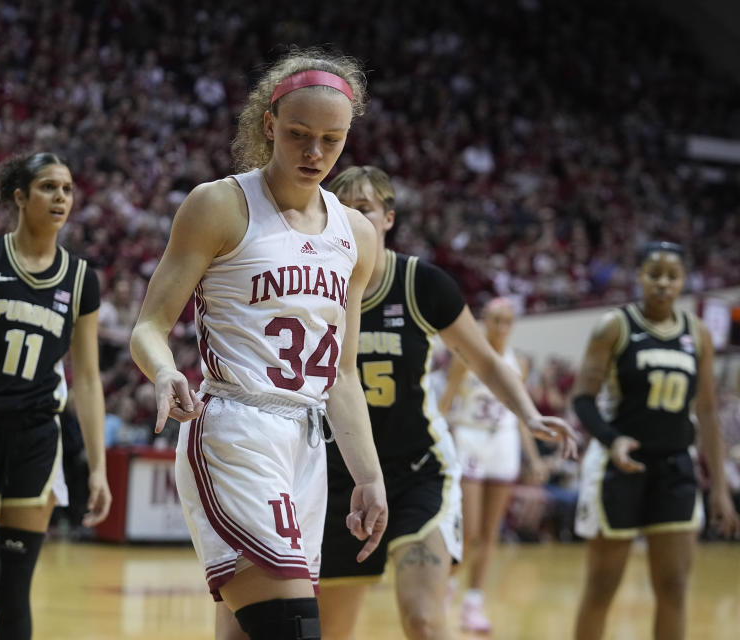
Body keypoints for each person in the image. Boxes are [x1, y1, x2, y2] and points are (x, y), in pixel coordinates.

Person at [221, 165, 573, 640]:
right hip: (337, 479)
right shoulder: (305, 283)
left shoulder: (421, 284)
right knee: (331, 631)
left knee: (424, 620)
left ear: (387, 218)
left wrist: (529, 415)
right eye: (339, 208)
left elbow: (485, 361)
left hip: (415, 471)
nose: (349, 217)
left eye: (362, 208)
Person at [130, 48, 388, 640]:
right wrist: (166, 373)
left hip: (308, 443)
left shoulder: (358, 235)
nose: (315, 153)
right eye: (299, 134)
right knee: (293, 629)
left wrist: (368, 476)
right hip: (235, 431)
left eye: (332, 139)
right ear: (268, 124)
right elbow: (149, 326)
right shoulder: (219, 204)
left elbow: (342, 374)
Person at [0, 152, 112, 640]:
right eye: (48, 187)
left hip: (35, 438)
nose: (60, 198)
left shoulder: (79, 280)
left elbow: (88, 381)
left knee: (13, 599)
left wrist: (97, 468)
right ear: (20, 196)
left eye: (68, 189)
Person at [573, 241, 740, 640]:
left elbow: (706, 412)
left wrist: (719, 488)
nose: (663, 283)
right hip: (619, 467)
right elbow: (582, 398)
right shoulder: (614, 325)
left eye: (672, 276)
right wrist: (611, 440)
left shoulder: (697, 334)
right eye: (655, 274)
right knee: (601, 587)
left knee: (674, 588)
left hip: (675, 469)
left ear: (684, 281)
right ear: (640, 277)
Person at [438, 297, 547, 633]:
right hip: (469, 439)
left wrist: (534, 457)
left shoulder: (520, 363)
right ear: (484, 320)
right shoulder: (464, 357)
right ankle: (446, 588)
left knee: (490, 533)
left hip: (503, 442)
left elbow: (519, 412)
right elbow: (444, 406)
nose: (501, 327)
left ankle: (473, 604)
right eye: (495, 320)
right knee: (469, 533)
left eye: (506, 321)